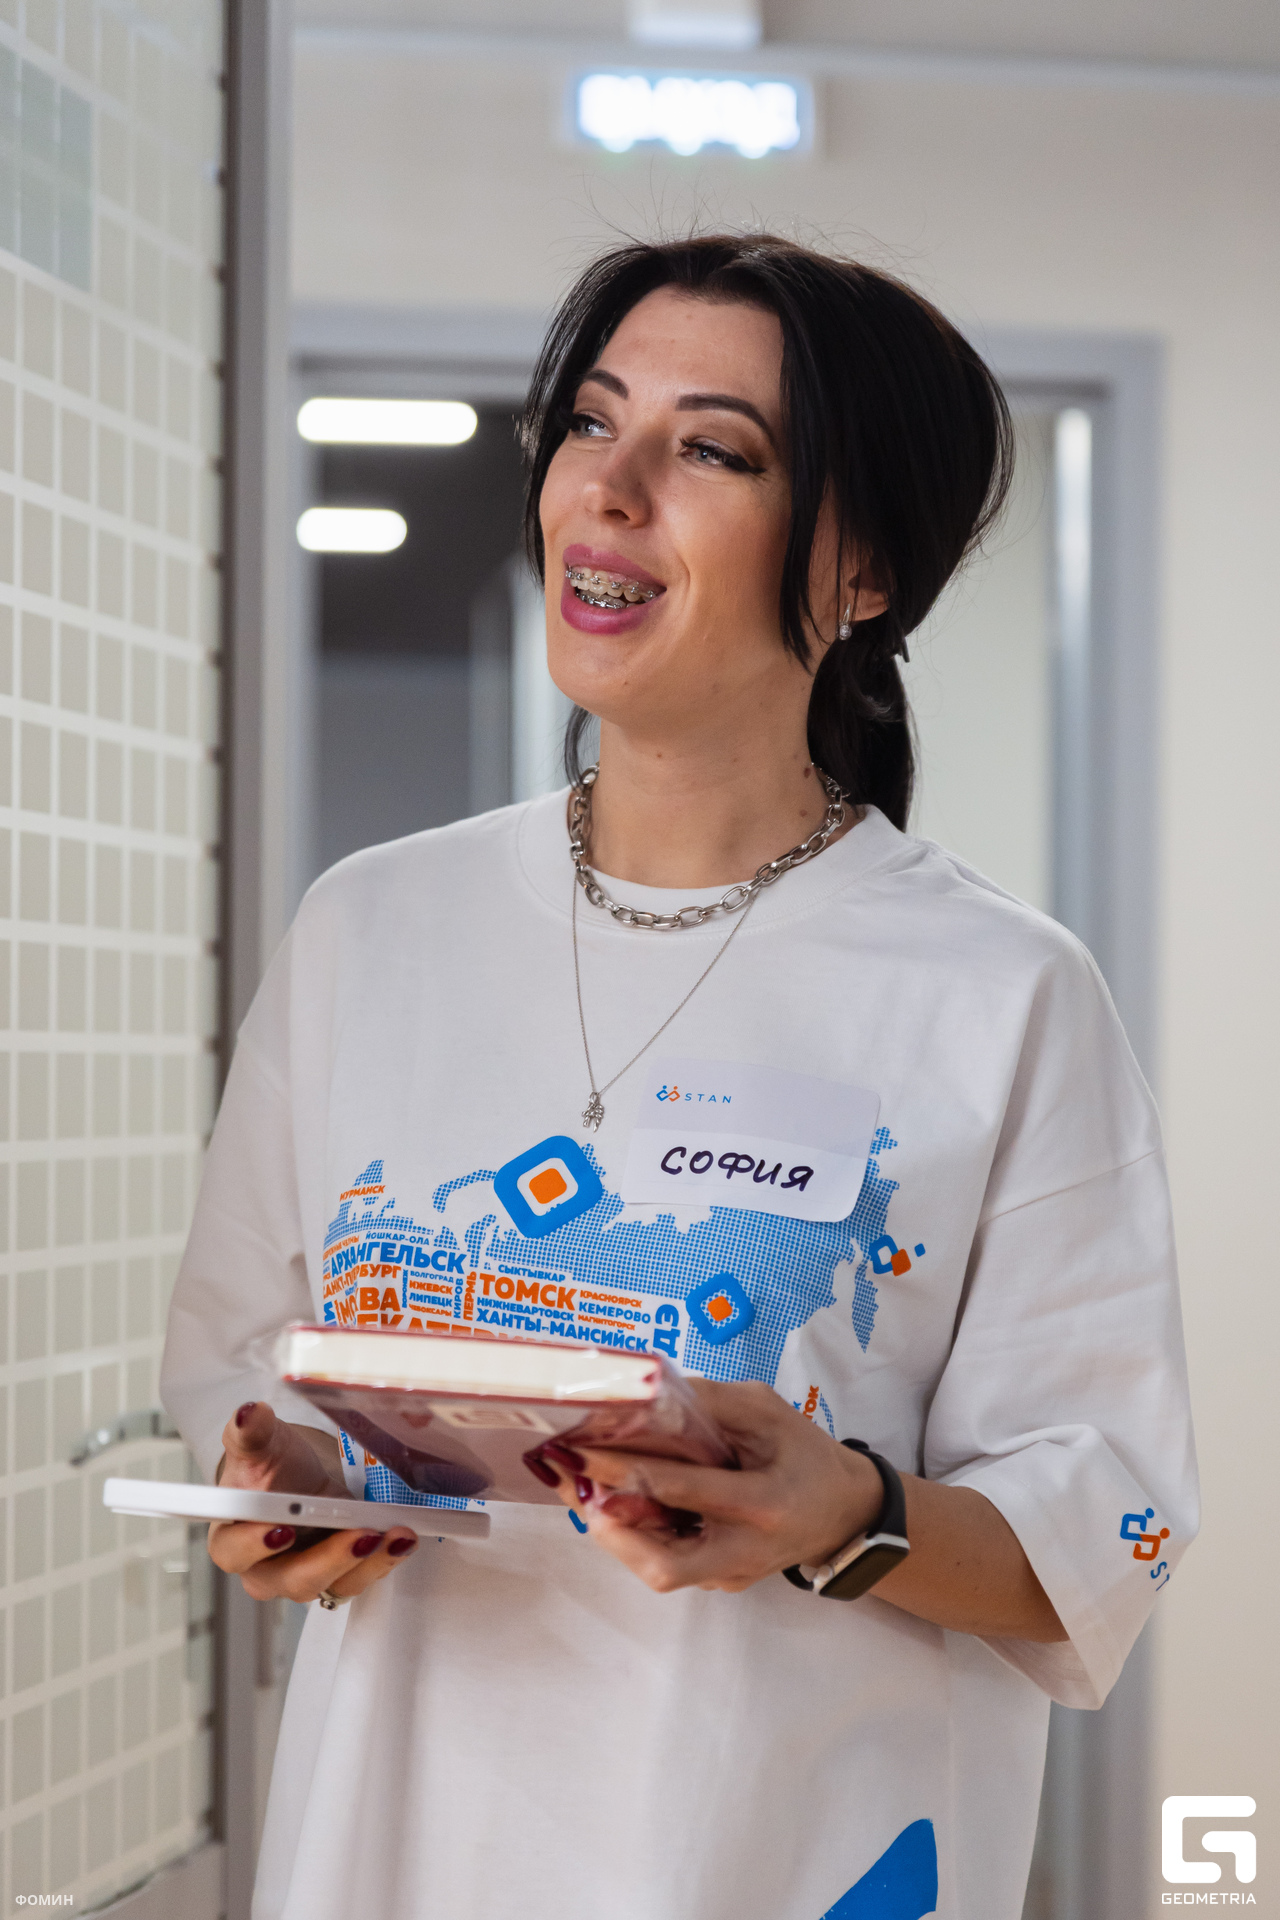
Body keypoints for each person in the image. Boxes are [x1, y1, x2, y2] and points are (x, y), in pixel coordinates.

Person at [161, 234, 1197, 1920]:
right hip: (395, 1849)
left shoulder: (999, 993)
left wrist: (844, 1509)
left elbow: (1110, 1529)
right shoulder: (374, 927)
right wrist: (283, 1499)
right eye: (591, 423)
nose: (611, 488)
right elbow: (243, 1373)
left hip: (782, 1854)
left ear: (864, 571)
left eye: (711, 449)